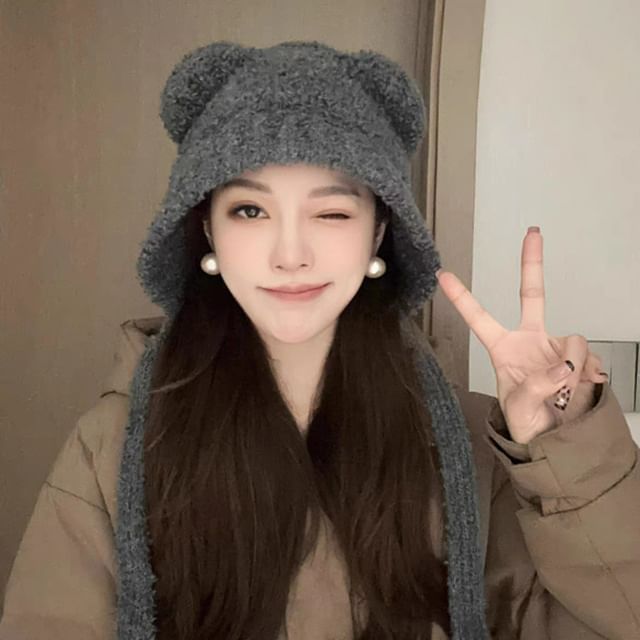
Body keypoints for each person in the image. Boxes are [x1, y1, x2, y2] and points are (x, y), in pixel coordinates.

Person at [1, 40, 638, 640]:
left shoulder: (474, 449)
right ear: (209, 231)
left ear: (378, 232)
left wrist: (567, 453)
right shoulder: (114, 447)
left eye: (331, 212)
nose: (290, 254)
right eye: (250, 210)